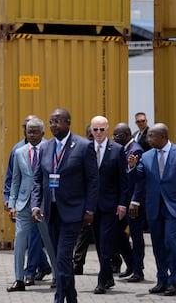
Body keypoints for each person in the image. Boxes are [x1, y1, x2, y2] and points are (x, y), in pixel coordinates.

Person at [32, 108, 98, 303]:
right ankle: (72, 297)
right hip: (51, 212)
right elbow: (38, 179)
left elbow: (93, 181)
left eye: (58, 121)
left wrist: (89, 209)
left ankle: (59, 298)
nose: (53, 125)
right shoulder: (45, 147)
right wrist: (36, 204)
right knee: (62, 260)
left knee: (61, 258)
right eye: (51, 121)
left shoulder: (83, 146)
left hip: (73, 212)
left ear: (68, 122)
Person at [128, 123, 176, 296]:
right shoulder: (147, 156)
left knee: (171, 243)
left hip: (174, 206)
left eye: (152, 137)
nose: (148, 140)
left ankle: (173, 281)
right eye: (148, 137)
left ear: (163, 137)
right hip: (154, 207)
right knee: (158, 244)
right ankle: (161, 280)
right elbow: (137, 178)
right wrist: (132, 166)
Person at [7, 118, 57, 292]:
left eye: (35, 132)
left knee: (49, 241)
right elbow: (15, 180)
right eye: (29, 132)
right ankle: (19, 279)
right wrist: (12, 203)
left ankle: (57, 276)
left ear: (43, 133)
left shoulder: (51, 149)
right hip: (23, 204)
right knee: (19, 242)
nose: (32, 135)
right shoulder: (19, 152)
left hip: (44, 204)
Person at [89, 116, 129, 294]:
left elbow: (123, 180)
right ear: (91, 130)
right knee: (98, 242)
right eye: (95, 129)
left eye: (101, 129)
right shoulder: (86, 148)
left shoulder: (117, 150)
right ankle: (109, 276)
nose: (98, 133)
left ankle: (101, 281)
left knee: (105, 242)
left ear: (107, 130)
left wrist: (122, 204)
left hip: (110, 204)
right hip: (91, 206)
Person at [112, 122, 146, 283]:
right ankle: (131, 264)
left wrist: (135, 201)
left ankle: (138, 270)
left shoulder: (136, 150)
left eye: (116, 135)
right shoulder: (124, 149)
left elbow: (139, 179)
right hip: (122, 201)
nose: (114, 138)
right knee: (117, 233)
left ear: (126, 135)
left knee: (137, 237)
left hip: (133, 203)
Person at [72, 125, 95, 275]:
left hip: (105, 200)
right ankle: (78, 263)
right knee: (83, 232)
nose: (95, 137)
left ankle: (116, 261)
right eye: (91, 135)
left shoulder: (110, 150)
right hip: (87, 200)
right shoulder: (84, 150)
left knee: (107, 235)